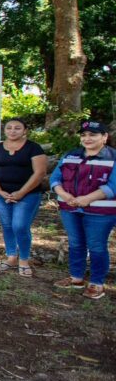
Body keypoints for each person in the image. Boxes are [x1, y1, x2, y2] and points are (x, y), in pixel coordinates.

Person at [50, 120, 116, 300]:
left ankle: (96, 283)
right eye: (84, 135)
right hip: (70, 208)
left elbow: (113, 186)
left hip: (101, 212)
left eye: (93, 135)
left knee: (96, 245)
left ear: (104, 137)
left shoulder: (113, 157)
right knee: (76, 243)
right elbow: (55, 179)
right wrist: (63, 194)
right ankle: (76, 278)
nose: (87, 138)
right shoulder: (71, 155)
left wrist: (86, 199)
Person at [0, 118, 48, 277]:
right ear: (4, 130)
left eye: (17, 128)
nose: (13, 131)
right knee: (7, 225)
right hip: (2, 194)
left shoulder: (34, 148)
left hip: (28, 195)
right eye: (9, 128)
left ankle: (24, 259)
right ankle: (11, 257)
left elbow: (39, 173)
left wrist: (21, 193)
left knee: (19, 226)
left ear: (25, 130)